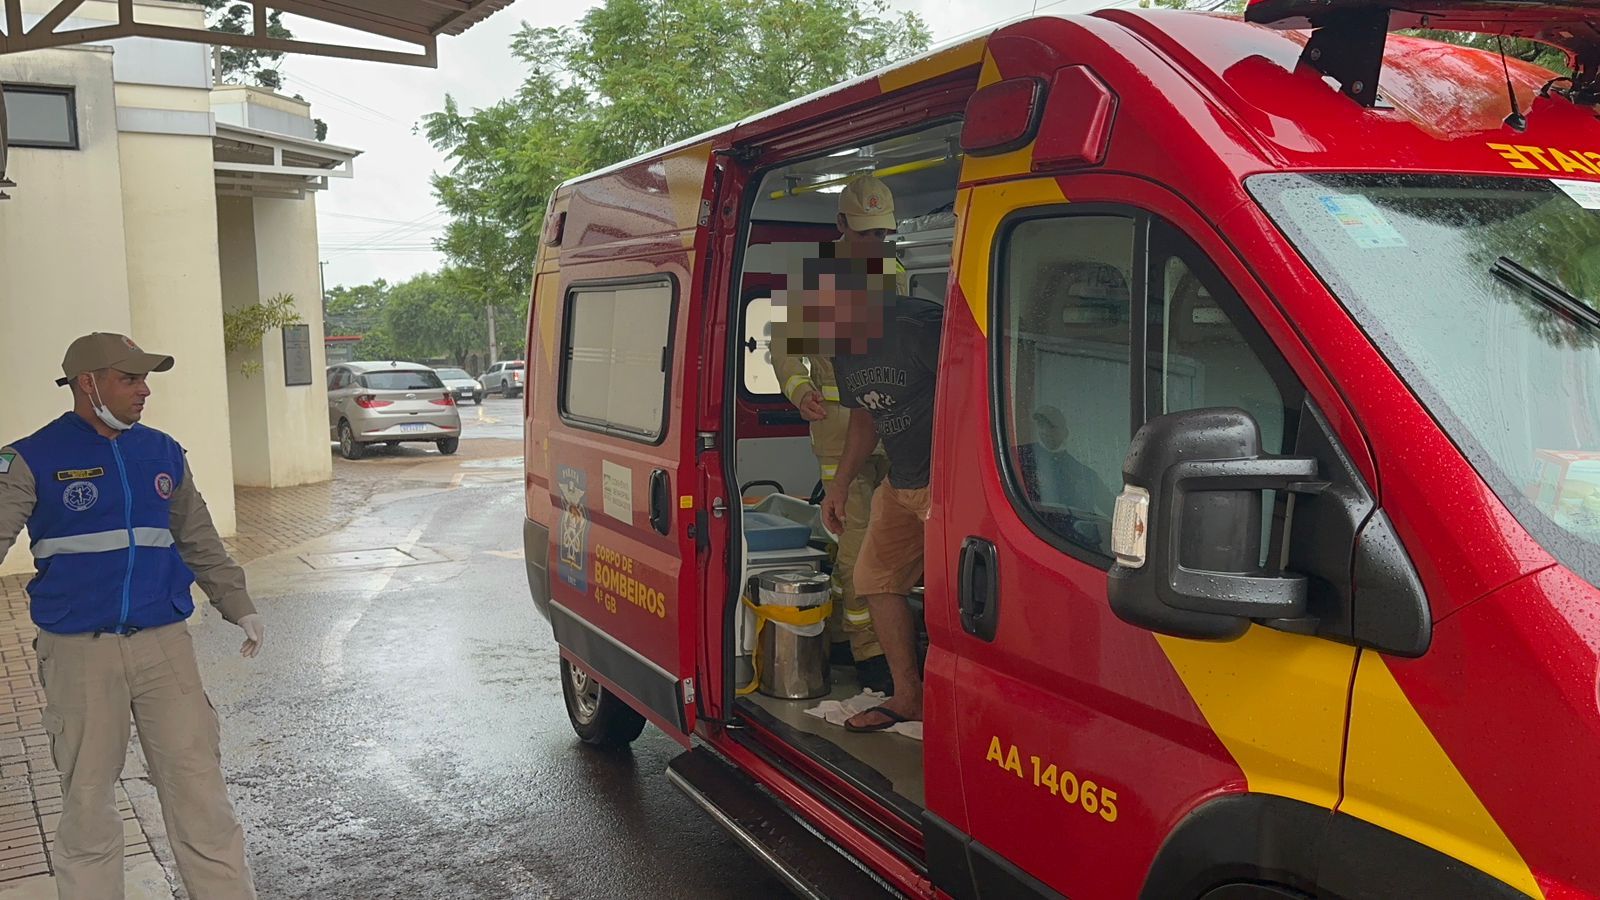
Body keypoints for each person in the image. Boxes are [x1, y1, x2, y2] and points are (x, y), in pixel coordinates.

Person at [0, 333, 264, 900]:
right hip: (79, 654)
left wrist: (236, 603)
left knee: (201, 793)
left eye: (146, 380)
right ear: (87, 384)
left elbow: (199, 539)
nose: (144, 391)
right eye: (130, 379)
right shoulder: (30, 458)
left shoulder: (162, 452)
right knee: (88, 801)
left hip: (165, 646)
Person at [769, 175, 904, 694]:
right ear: (842, 225)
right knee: (856, 541)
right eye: (867, 233)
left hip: (890, 426)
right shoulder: (814, 280)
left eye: (883, 234)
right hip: (837, 428)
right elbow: (785, 351)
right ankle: (867, 651)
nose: (876, 244)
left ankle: (851, 634)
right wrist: (798, 389)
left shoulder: (895, 272)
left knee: (889, 541)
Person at [815, 253, 943, 732]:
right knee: (874, 577)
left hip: (946, 484)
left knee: (956, 597)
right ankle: (909, 696)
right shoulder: (845, 349)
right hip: (903, 480)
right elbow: (865, 421)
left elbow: (974, 388)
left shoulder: (917, 327)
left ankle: (957, 700)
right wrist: (840, 485)